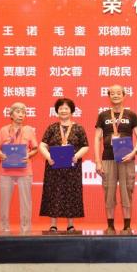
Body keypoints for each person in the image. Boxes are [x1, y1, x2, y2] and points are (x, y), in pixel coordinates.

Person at [94, 85, 137, 235]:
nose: (115, 95)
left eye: (118, 93)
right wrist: (97, 161)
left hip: (126, 159)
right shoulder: (103, 115)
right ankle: (110, 226)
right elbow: (97, 138)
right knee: (109, 192)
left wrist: (134, 152)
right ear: (109, 96)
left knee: (127, 191)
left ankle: (127, 226)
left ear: (124, 95)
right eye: (112, 93)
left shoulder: (131, 115)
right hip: (108, 159)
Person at [38, 98, 89, 233]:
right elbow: (42, 145)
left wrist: (77, 156)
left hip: (72, 167)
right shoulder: (52, 128)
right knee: (53, 193)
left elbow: (85, 146)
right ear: (57, 111)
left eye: (66, 108)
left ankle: (70, 225)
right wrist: (48, 157)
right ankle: (53, 225)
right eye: (61, 108)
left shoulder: (78, 128)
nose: (63, 110)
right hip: (53, 166)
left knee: (71, 193)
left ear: (71, 111)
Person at [0, 102, 38, 234]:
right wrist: (0, 154)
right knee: (4, 202)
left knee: (26, 202)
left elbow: (35, 148)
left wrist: (29, 155)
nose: (21, 115)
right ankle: (4, 229)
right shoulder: (3, 130)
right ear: (11, 114)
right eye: (18, 112)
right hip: (6, 170)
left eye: (23, 112)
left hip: (24, 170)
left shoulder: (29, 130)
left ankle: (25, 230)